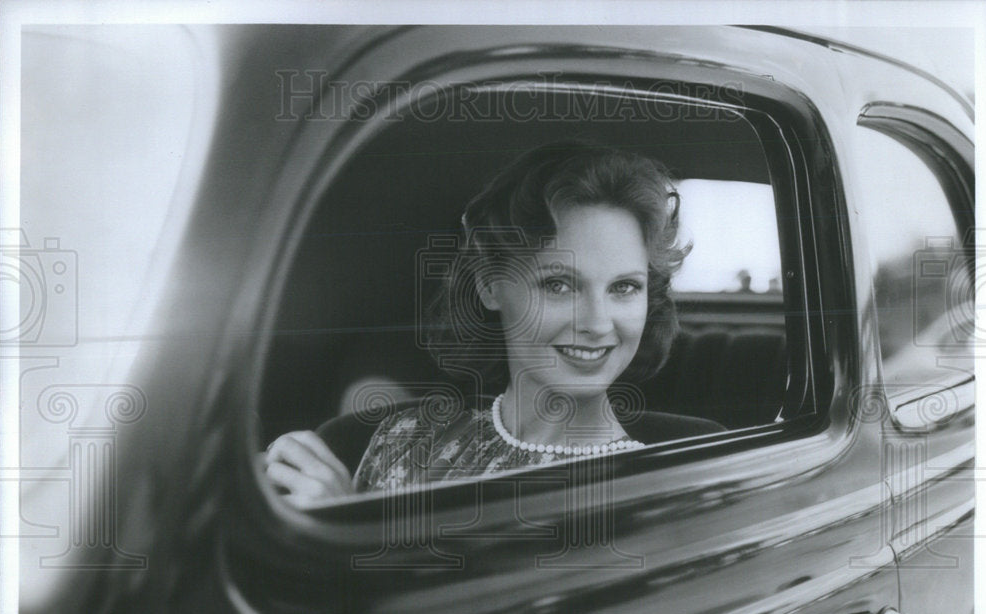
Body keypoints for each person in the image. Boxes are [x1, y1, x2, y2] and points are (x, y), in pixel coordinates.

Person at [264, 141, 723, 508]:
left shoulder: (668, 487)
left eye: (623, 288)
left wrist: (339, 533)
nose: (598, 324)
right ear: (490, 286)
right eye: (560, 285)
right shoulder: (395, 440)